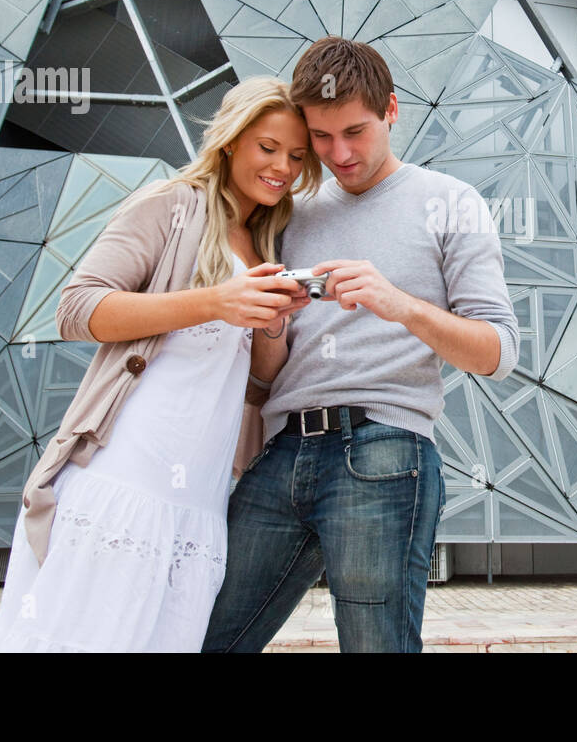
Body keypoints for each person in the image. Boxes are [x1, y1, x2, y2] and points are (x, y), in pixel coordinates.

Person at [202, 36, 520, 653]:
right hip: (281, 449)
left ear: (392, 111)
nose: (339, 154)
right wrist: (270, 321)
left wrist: (398, 303)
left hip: (384, 451)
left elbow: (498, 352)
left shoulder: (451, 203)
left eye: (356, 131)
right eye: (320, 137)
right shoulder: (286, 209)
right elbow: (264, 371)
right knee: (206, 636)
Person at [0, 76, 321, 652]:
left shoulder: (268, 242)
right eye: (268, 147)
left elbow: (258, 384)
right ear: (232, 141)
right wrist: (216, 301)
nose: (283, 167)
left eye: (296, 155)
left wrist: (270, 328)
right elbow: (77, 307)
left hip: (200, 493)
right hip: (125, 471)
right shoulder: (171, 206)